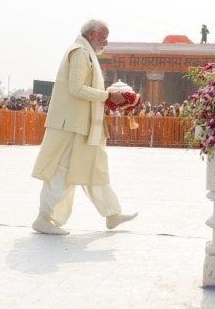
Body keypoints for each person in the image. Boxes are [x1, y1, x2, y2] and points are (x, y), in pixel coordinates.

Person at [30, 19, 138, 236]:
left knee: (92, 168)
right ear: (91, 34)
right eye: (103, 37)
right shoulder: (80, 52)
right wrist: (108, 95)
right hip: (72, 124)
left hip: (82, 124)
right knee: (63, 172)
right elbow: (77, 88)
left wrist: (106, 97)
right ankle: (44, 218)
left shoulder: (85, 52)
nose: (106, 42)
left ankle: (112, 214)